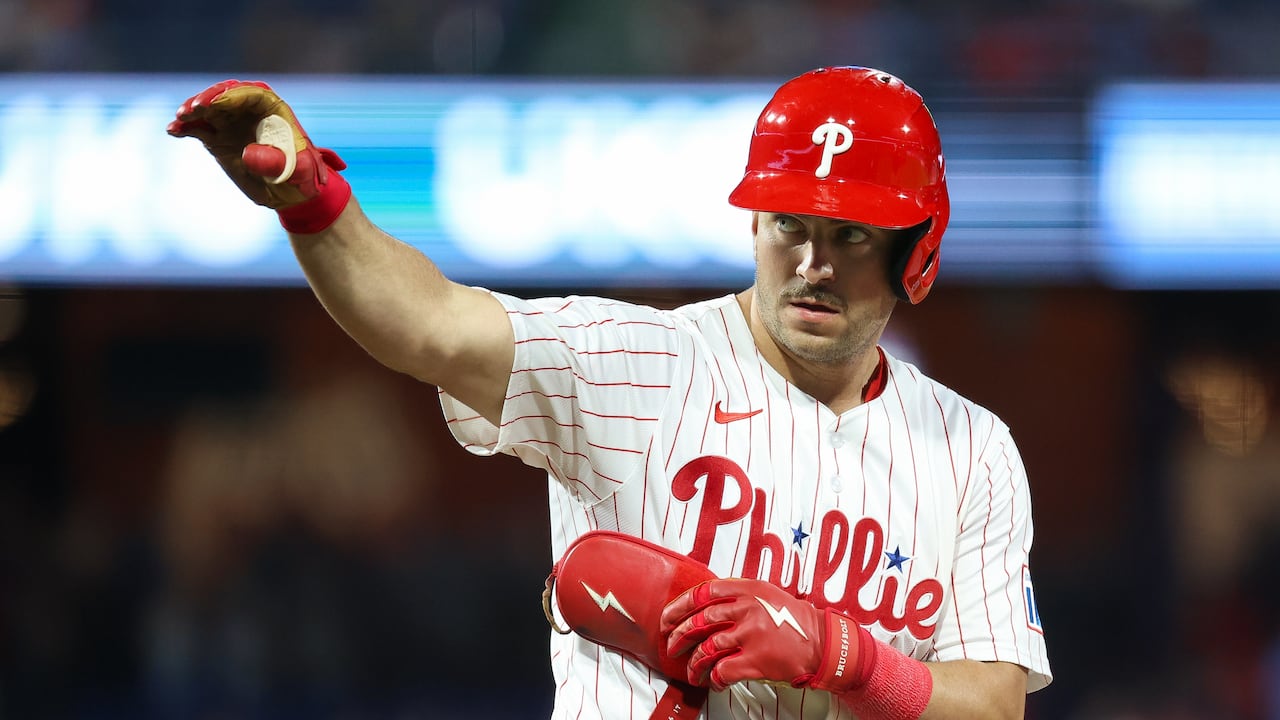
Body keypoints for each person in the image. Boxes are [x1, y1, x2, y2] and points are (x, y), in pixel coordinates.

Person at [168, 66, 1052, 719]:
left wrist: (842, 655)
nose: (813, 264)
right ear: (754, 222)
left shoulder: (970, 449)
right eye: (791, 223)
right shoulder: (637, 360)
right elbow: (428, 322)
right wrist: (315, 205)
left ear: (916, 250)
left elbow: (996, 703)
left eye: (852, 236)